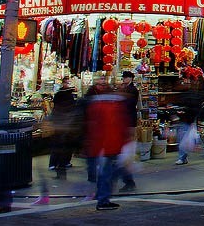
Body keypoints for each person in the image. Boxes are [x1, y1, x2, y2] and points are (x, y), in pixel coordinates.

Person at [83, 81, 131, 210]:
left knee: (105, 172)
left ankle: (101, 195)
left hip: (99, 145)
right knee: (107, 173)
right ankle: (103, 199)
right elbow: (116, 127)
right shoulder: (113, 106)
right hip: (108, 145)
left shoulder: (95, 104)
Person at [48, 76, 79, 179]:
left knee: (60, 145)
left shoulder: (61, 96)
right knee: (62, 145)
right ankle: (60, 164)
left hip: (62, 124)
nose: (67, 84)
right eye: (66, 82)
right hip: (64, 124)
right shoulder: (67, 97)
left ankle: (57, 164)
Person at [118, 72, 139, 191]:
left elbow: (129, 105)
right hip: (125, 122)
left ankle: (129, 180)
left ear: (130, 78)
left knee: (126, 153)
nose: (124, 79)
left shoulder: (132, 90)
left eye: (125, 77)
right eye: (123, 77)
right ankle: (128, 179)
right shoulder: (126, 89)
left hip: (129, 122)